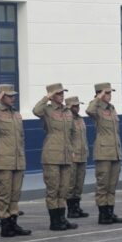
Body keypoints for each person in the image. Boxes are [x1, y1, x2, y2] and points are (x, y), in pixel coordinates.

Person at [0, 84, 31, 237]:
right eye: (9, 96)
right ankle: (5, 224)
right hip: (3, 159)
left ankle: (13, 223)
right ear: (1, 96)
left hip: (17, 159)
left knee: (15, 194)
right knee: (4, 194)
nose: (13, 98)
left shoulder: (15, 113)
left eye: (13, 95)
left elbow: (20, 137)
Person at [33, 83, 77, 231]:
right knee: (53, 189)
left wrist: (71, 149)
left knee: (63, 189)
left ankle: (62, 218)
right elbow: (35, 110)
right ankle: (54, 221)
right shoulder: (47, 109)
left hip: (65, 154)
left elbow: (71, 132)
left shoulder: (67, 111)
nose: (62, 95)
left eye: (62, 93)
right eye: (58, 93)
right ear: (52, 95)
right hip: (52, 154)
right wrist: (46, 98)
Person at [86, 83, 122, 224]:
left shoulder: (112, 108)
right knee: (103, 185)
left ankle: (110, 212)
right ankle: (103, 215)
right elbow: (89, 110)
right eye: (106, 93)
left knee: (112, 184)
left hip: (115, 151)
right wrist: (98, 98)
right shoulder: (97, 108)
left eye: (110, 93)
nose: (109, 95)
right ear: (100, 94)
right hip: (103, 152)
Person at [66, 96, 89, 218]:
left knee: (79, 184)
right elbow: (66, 137)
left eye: (78, 105)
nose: (77, 108)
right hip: (73, 156)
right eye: (74, 106)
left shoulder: (80, 119)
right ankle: (71, 209)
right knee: (71, 183)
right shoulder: (67, 119)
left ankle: (77, 207)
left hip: (82, 155)